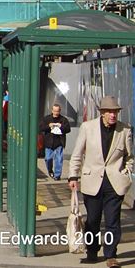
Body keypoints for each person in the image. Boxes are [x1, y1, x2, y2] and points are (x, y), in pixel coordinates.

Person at [68, 96, 134, 267]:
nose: (113, 115)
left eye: (116, 112)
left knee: (113, 221)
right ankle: (92, 251)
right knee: (93, 220)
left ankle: (111, 255)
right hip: (92, 182)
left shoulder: (125, 130)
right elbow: (77, 154)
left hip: (115, 183)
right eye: (110, 112)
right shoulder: (88, 128)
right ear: (102, 113)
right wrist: (73, 176)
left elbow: (129, 156)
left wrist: (127, 172)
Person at [38, 103, 71, 180]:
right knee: (48, 158)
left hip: (59, 142)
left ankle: (57, 175)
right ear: (52, 111)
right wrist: (48, 126)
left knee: (59, 159)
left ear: (60, 111)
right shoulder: (47, 119)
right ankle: (50, 170)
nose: (56, 113)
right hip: (49, 142)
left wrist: (61, 126)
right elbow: (41, 128)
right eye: (55, 111)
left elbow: (68, 129)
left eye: (57, 111)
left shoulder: (63, 120)